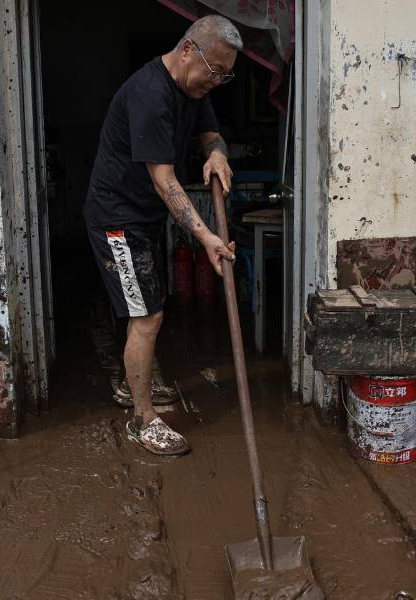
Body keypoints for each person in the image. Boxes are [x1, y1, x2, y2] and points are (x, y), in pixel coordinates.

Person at [84, 15, 241, 456]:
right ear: (188, 49)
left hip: (145, 215)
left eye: (225, 76)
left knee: (150, 304)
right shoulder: (151, 95)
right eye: (214, 71)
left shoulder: (194, 87)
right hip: (118, 218)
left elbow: (210, 133)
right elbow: (164, 181)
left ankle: (131, 383)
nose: (217, 81)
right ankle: (142, 418)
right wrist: (207, 237)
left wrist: (216, 153)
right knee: (146, 315)